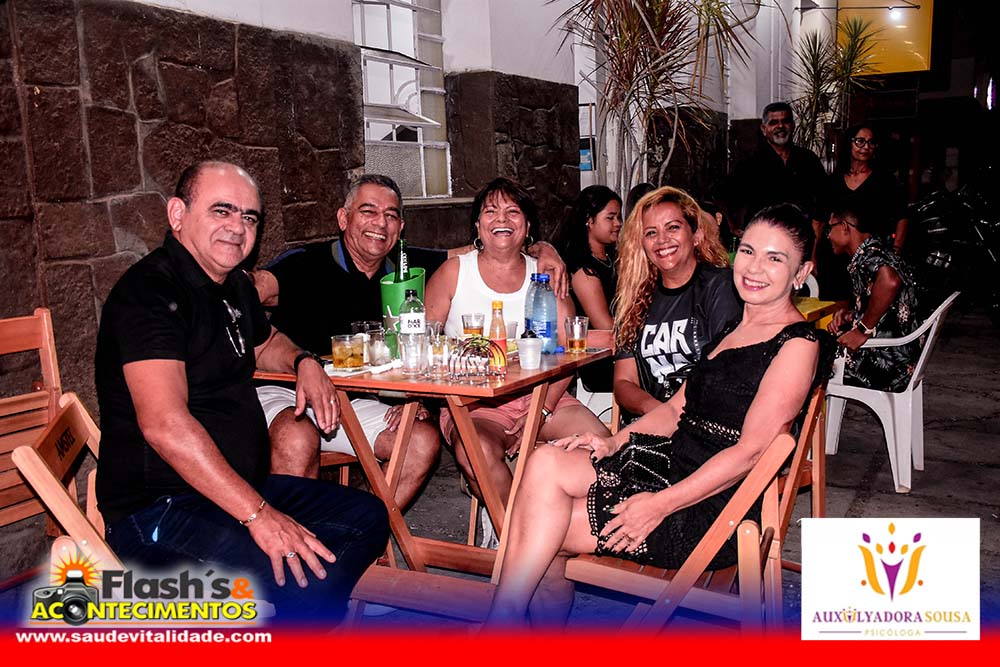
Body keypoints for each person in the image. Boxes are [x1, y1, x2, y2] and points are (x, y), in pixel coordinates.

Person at [487, 203, 832, 626]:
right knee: (544, 462)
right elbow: (674, 410)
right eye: (748, 251)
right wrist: (612, 441)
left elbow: (751, 453)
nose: (755, 267)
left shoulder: (796, 345)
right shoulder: (735, 329)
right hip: (671, 466)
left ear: (801, 272)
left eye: (774, 258)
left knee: (542, 531)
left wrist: (658, 507)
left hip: (710, 508)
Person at [95, 161, 390, 623]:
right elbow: (165, 425)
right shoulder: (149, 295)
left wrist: (304, 362)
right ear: (178, 214)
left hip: (236, 489)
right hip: (161, 509)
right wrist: (259, 516)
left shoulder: (232, 284)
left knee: (368, 517)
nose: (237, 227)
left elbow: (265, 343)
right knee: (302, 576)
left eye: (249, 217)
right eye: (222, 211)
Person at [252, 174, 570, 510]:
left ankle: (357, 527)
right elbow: (248, 290)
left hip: (354, 398)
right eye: (368, 211)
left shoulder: (407, 267)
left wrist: (545, 250)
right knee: (297, 435)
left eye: (390, 215)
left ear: (400, 227)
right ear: (343, 218)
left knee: (420, 442)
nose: (380, 223)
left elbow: (495, 246)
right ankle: (293, 538)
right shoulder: (305, 262)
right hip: (288, 389)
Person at [425, 178, 610, 515]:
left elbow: (570, 351)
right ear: (477, 225)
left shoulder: (547, 274)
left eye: (513, 212)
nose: (501, 219)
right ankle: (518, 531)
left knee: (602, 447)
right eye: (491, 211)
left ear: (527, 226)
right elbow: (424, 342)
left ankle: (570, 526)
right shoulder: (454, 273)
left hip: (544, 397)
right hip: (475, 405)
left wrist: (541, 411)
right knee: (475, 451)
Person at [613, 187, 741, 426]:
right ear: (641, 244)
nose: (662, 239)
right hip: (652, 423)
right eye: (651, 232)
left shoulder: (720, 287)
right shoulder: (635, 299)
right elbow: (623, 382)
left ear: (696, 235)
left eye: (673, 227)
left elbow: (725, 372)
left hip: (707, 424)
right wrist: (658, 412)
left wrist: (675, 417)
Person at [825, 206, 920, 392]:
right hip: (901, 357)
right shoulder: (876, 251)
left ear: (844, 227)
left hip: (888, 365)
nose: (828, 236)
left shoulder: (870, 257)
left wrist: (862, 330)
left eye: (830, 228)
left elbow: (890, 281)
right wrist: (853, 316)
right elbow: (888, 308)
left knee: (807, 359)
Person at [722, 102, 828, 264]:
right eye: (774, 122)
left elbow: (823, 204)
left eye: (785, 121)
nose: (780, 126)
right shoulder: (750, 163)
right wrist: (733, 227)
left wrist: (815, 251)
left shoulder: (808, 160)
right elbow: (723, 195)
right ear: (764, 129)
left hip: (801, 243)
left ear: (792, 125)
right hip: (763, 243)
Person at [820, 123, 910, 300]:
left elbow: (902, 216)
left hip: (872, 258)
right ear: (849, 143)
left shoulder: (886, 181)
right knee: (836, 304)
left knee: (869, 302)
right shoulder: (833, 181)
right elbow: (819, 220)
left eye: (871, 142)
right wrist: (813, 257)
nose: (865, 147)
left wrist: (896, 250)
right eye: (860, 141)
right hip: (837, 256)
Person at [549, 185, 623, 330]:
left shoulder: (612, 258)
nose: (618, 223)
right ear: (589, 220)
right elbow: (604, 326)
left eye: (619, 217)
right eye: (610, 218)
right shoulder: (583, 269)